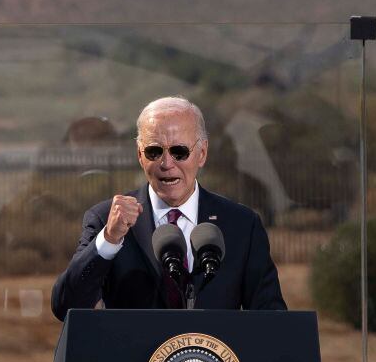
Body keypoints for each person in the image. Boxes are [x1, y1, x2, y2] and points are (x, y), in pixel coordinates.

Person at [51, 96, 285, 321]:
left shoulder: (241, 225)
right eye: (154, 151)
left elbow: (271, 319)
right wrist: (109, 240)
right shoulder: (106, 221)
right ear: (140, 155)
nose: (166, 163)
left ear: (202, 154)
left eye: (179, 151)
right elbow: (65, 306)